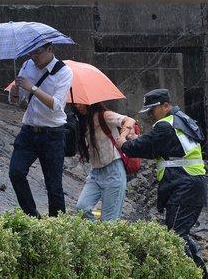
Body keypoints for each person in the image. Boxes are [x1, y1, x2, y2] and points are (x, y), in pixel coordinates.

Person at [120, 89, 208, 279]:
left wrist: (124, 143)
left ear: (165, 106)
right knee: (178, 232)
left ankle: (199, 278)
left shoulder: (164, 125)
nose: (150, 115)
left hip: (183, 184)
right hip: (190, 183)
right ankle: (202, 277)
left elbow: (144, 147)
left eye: (152, 110)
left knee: (176, 234)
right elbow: (161, 147)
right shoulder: (181, 120)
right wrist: (136, 141)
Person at [8, 43, 74, 217]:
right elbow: (18, 100)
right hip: (29, 130)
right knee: (16, 172)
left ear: (50, 49)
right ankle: (32, 216)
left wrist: (33, 88)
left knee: (54, 186)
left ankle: (57, 228)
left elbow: (56, 104)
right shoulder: (27, 65)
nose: (34, 57)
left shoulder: (63, 71)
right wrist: (15, 93)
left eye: (38, 52)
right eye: (31, 53)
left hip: (53, 133)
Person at [73, 102, 137, 221]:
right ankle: (97, 237)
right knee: (82, 208)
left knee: (109, 220)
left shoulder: (104, 115)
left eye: (80, 103)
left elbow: (129, 120)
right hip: (95, 172)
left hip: (113, 170)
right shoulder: (83, 121)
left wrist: (122, 137)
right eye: (75, 103)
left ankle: (104, 237)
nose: (77, 106)